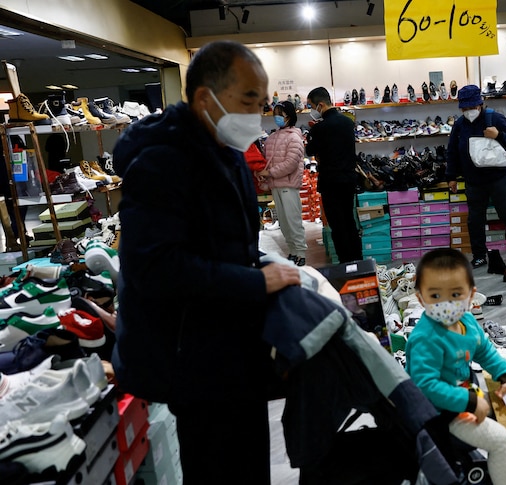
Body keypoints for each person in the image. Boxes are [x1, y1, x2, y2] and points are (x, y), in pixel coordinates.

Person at [110, 40, 302, 484]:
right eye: (249, 99)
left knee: (248, 462)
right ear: (204, 98)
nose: (259, 112)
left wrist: (264, 265)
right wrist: (257, 283)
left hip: (230, 347)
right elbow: (154, 269)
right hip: (192, 357)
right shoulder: (161, 164)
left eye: (263, 100)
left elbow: (223, 244)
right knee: (217, 466)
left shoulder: (225, 152)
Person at [405, 248, 506, 485]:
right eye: (435, 296)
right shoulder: (425, 339)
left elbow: (484, 351)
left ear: (472, 295)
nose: (446, 303)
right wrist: (468, 401)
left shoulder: (467, 322)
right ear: (420, 298)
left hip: (464, 395)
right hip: (439, 414)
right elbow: (425, 385)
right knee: (500, 440)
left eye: (456, 294)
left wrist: (505, 375)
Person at [447, 84, 506, 268]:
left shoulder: (495, 117)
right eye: (465, 108)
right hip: (473, 178)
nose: (469, 111)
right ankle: (479, 254)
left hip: (499, 175)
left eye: (472, 107)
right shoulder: (460, 124)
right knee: (475, 218)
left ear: (480, 104)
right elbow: (452, 151)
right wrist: (451, 176)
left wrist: (498, 134)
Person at [305, 87, 362, 263]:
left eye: (312, 106)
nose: (311, 111)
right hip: (348, 179)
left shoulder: (319, 128)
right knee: (350, 221)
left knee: (337, 226)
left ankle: (346, 263)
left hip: (330, 182)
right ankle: (358, 260)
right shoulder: (347, 122)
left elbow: (310, 150)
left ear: (320, 105)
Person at [259, 101, 308, 266]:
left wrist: (270, 172)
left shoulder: (295, 137)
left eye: (280, 113)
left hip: (289, 185)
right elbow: (266, 162)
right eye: (275, 114)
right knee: (284, 223)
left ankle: (300, 252)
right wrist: (263, 175)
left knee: (293, 221)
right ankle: (293, 251)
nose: (277, 117)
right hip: (275, 186)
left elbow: (291, 163)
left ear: (289, 115)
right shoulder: (271, 138)